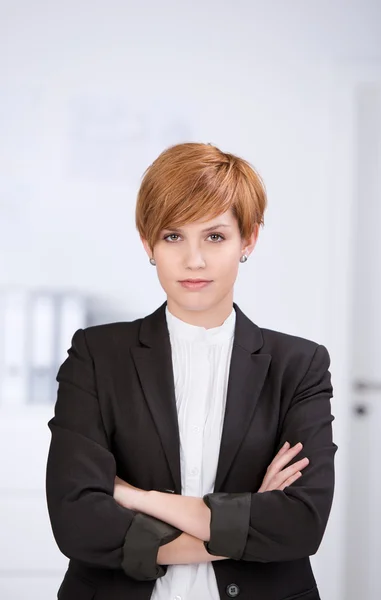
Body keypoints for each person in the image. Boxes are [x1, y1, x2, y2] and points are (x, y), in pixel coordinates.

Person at [46, 142, 337, 600]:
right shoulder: (97, 355)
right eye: (173, 236)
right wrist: (243, 524)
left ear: (249, 239)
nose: (194, 260)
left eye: (216, 236)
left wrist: (136, 497)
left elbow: (300, 525)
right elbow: (77, 521)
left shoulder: (299, 366)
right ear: (148, 243)